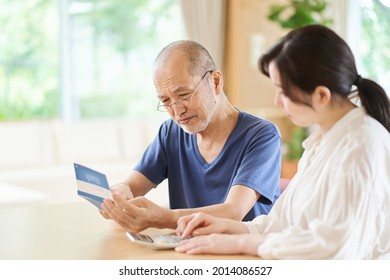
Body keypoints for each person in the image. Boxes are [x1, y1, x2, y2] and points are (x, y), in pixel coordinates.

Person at [175, 25, 390, 259]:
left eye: (283, 91)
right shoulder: (322, 143)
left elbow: (334, 248)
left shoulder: (361, 145)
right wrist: (230, 228)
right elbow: (284, 224)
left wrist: (243, 244)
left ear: (321, 95)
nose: (277, 102)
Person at [101, 40, 282, 233]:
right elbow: (133, 186)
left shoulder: (262, 136)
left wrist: (162, 218)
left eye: (184, 95)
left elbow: (234, 212)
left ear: (215, 81)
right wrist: (121, 191)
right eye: (165, 101)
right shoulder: (170, 132)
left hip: (242, 253)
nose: (177, 111)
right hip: (189, 251)